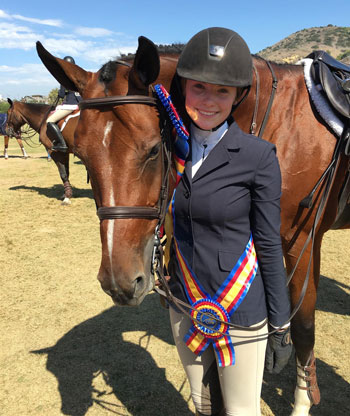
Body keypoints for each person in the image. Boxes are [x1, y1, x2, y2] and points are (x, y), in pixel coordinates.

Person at [165, 27, 292, 416]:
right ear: (183, 89)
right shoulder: (167, 147)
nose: (208, 101)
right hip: (183, 300)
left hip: (239, 312)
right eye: (199, 87)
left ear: (237, 96)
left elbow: (269, 243)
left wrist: (281, 324)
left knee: (240, 411)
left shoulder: (258, 156)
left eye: (221, 91)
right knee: (202, 405)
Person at [45, 55, 81, 152]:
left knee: (50, 120)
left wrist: (60, 93)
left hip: (71, 105)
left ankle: (61, 143)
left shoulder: (65, 77)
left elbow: (61, 94)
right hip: (81, 104)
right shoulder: (78, 76)